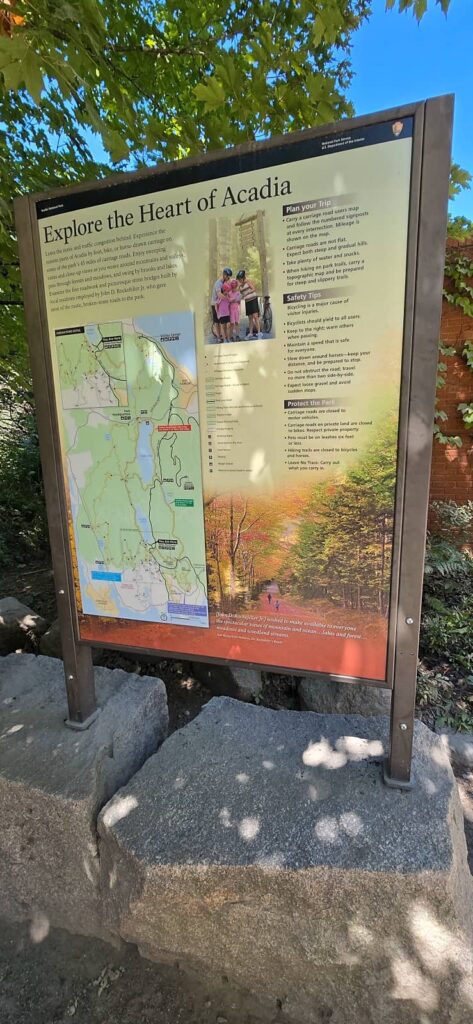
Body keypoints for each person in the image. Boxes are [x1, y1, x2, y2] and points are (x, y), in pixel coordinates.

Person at [236, 270, 260, 337]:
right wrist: (239, 287)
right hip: (247, 301)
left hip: (253, 300)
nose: (239, 280)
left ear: (243, 277)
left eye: (240, 279)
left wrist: (247, 293)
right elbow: (239, 293)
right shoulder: (240, 285)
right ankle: (250, 333)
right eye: (238, 279)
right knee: (250, 318)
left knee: (255, 316)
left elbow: (254, 289)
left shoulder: (248, 281)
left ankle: (259, 332)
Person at [210, 267, 232, 342]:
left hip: (222, 304)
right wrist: (228, 299)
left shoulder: (224, 283)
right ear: (224, 275)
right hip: (215, 304)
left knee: (222, 322)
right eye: (228, 276)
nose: (229, 278)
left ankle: (224, 336)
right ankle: (219, 337)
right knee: (217, 322)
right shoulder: (218, 283)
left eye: (229, 276)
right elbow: (219, 295)